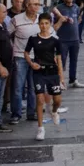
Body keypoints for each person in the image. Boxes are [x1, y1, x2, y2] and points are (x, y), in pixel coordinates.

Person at [24, 13, 63, 141]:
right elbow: (26, 52)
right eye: (41, 23)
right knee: (40, 99)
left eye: (46, 23)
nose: (44, 26)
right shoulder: (33, 39)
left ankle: (54, 111)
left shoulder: (55, 40)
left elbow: (59, 58)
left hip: (52, 72)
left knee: (57, 100)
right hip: (39, 72)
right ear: (38, 24)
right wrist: (31, 63)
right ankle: (40, 128)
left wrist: (61, 77)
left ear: (50, 24)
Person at [8, 0, 42, 124]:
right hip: (20, 57)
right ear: (27, 6)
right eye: (34, 4)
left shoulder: (41, 19)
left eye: (38, 4)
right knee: (18, 86)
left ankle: (31, 113)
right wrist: (12, 49)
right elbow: (8, 35)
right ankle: (16, 114)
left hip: (37, 58)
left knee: (34, 87)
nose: (36, 7)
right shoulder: (16, 20)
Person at [52, 0, 84, 88]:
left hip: (75, 39)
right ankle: (60, 81)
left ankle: (73, 79)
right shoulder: (59, 8)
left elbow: (78, 18)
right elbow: (53, 19)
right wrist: (62, 18)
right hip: (62, 40)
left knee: (74, 60)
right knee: (61, 61)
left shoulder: (76, 7)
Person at [0, 4, 12, 132]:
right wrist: (0, 67)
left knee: (0, 96)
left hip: (5, 68)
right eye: (3, 12)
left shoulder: (3, 26)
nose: (5, 14)